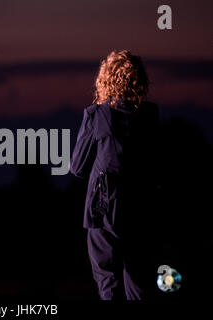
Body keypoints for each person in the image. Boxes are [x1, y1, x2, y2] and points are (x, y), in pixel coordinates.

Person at [70, 50, 159, 300]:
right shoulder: (150, 116)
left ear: (104, 80)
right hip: (141, 210)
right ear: (139, 80)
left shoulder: (96, 116)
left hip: (103, 210)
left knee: (108, 283)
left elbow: (77, 167)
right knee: (139, 286)